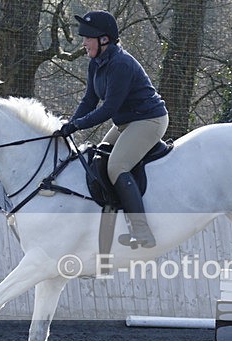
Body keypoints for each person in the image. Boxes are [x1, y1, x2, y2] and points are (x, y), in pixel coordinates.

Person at [59, 10, 168, 249]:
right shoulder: (96, 63)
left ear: (104, 39)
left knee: (117, 166)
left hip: (149, 120)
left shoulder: (121, 64)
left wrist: (78, 125)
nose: (84, 43)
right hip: (126, 122)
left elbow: (109, 108)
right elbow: (89, 100)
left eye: (88, 38)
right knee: (100, 157)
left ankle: (142, 231)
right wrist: (69, 125)